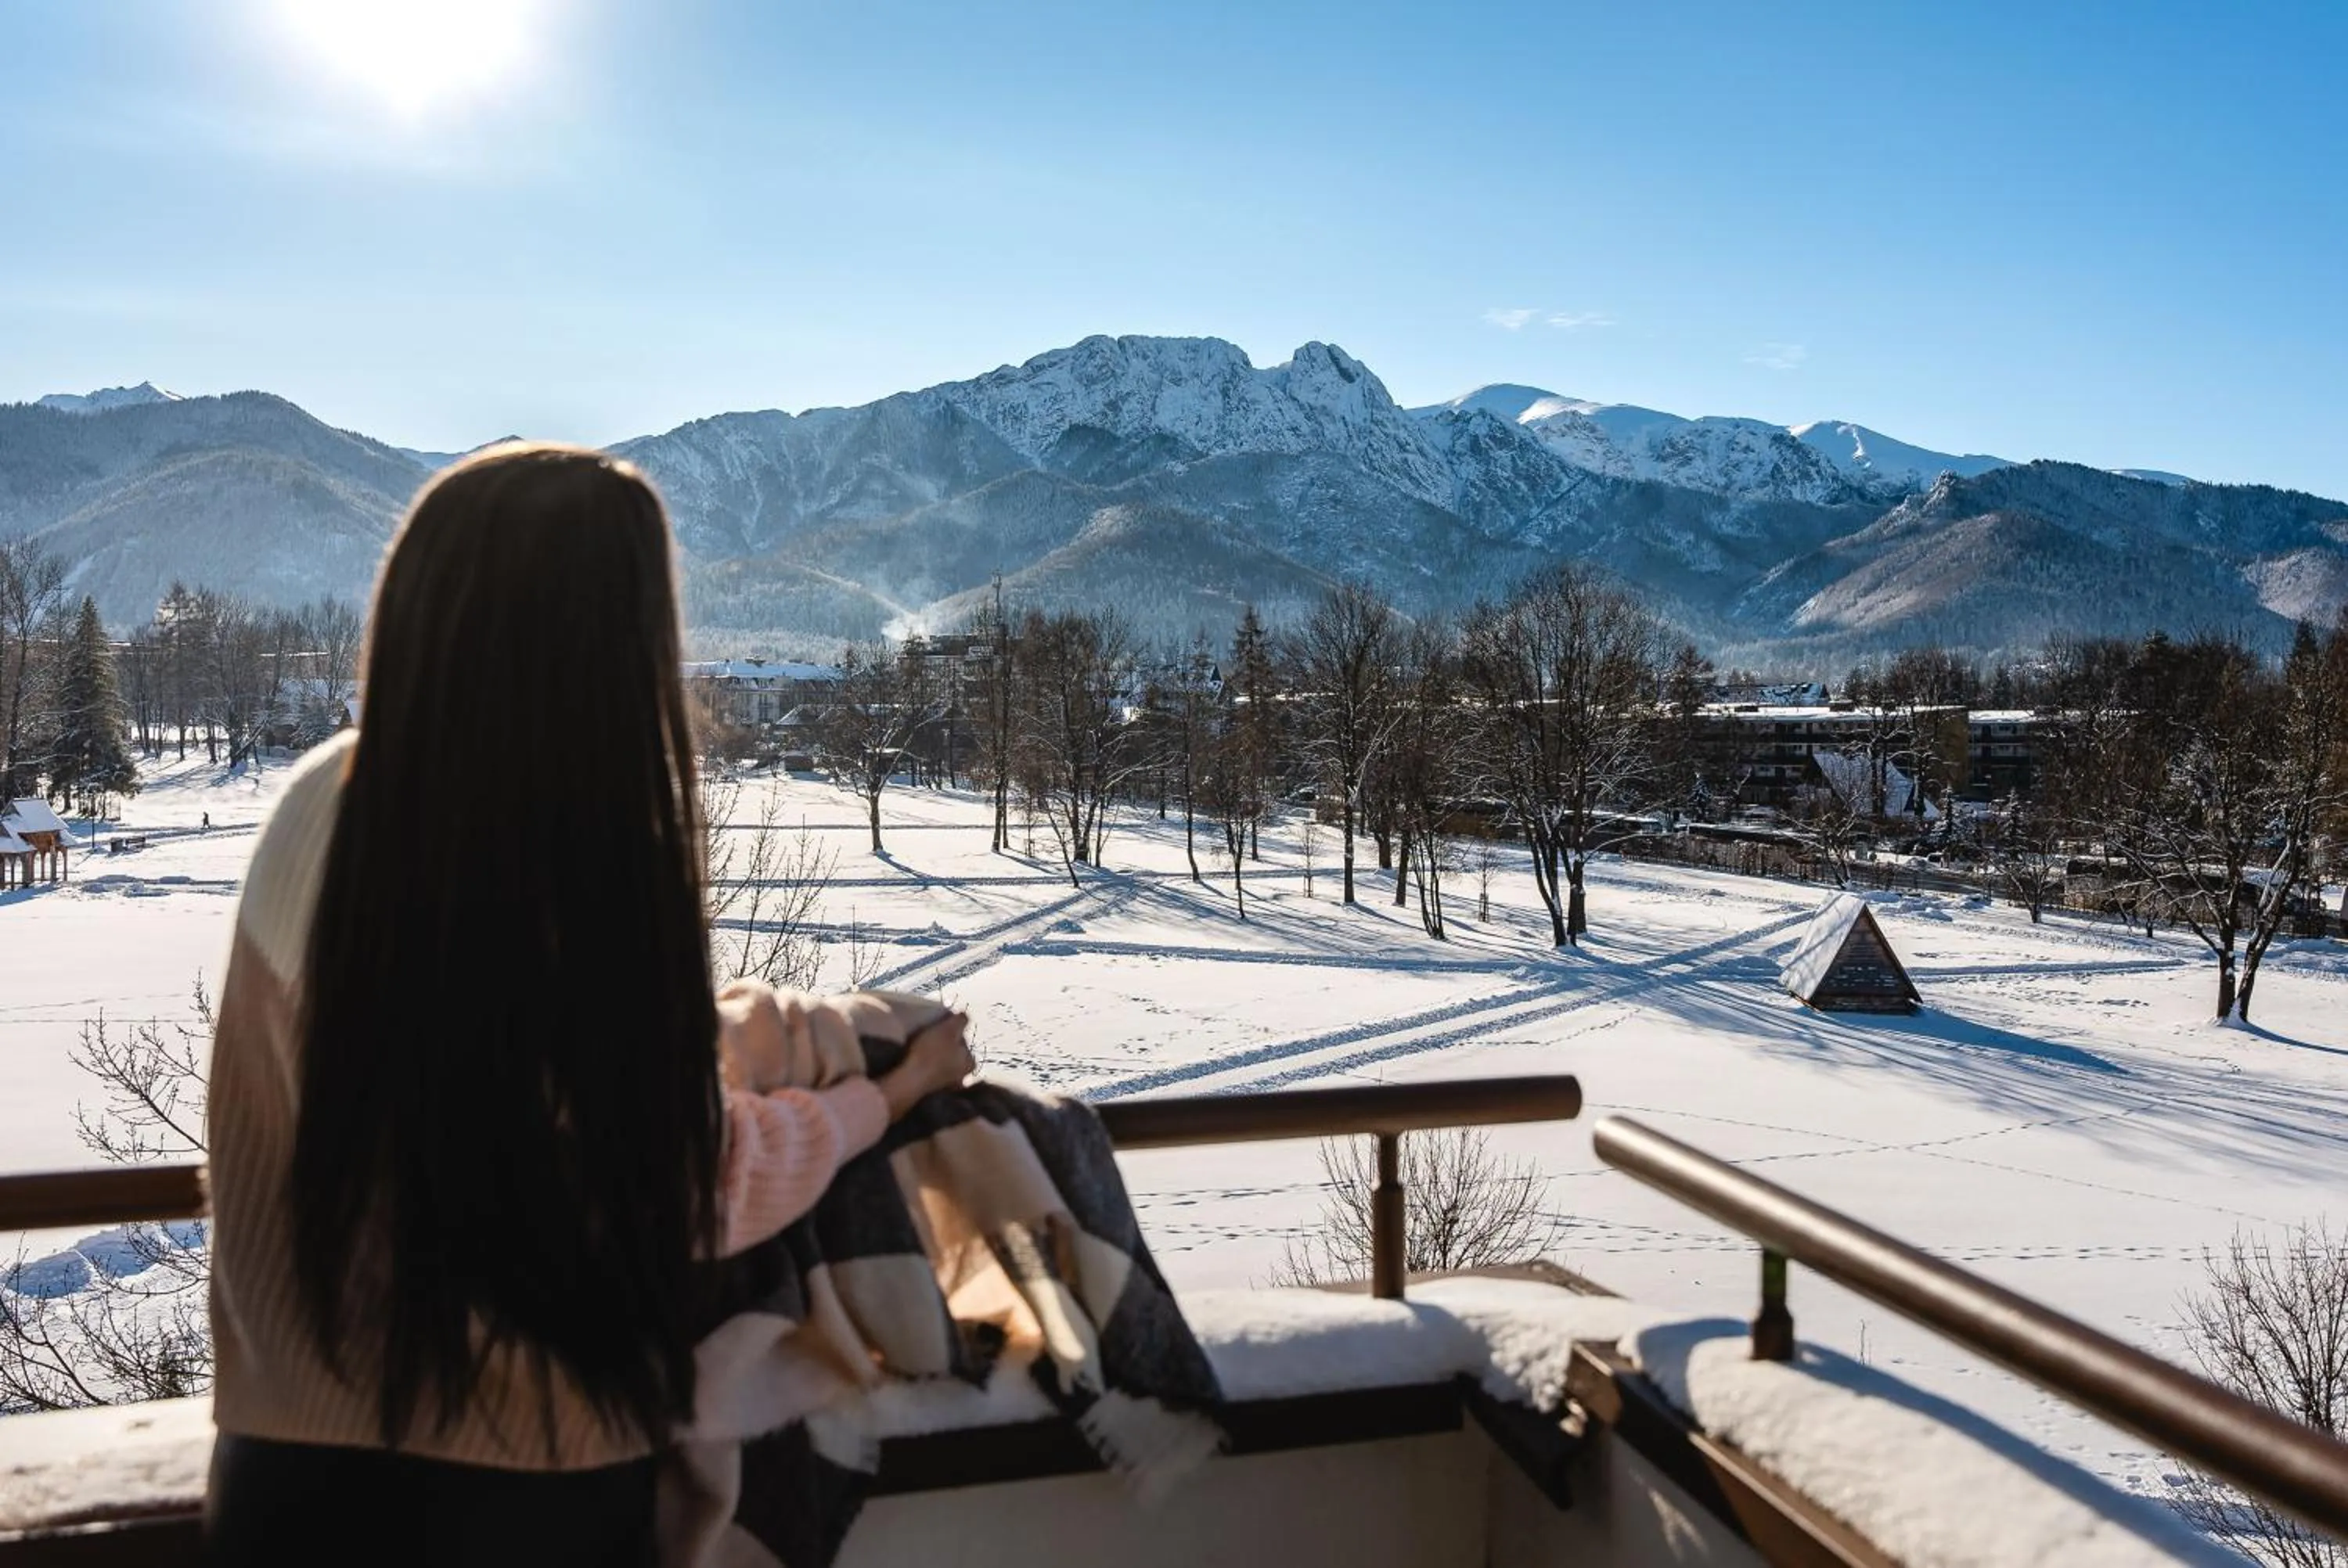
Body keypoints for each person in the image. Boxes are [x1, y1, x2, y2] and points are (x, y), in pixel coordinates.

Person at [203, 444, 973, 1566]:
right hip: (529, 1492)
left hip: (287, 1477)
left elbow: (479, 1088)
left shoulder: (326, 803)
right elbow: (683, 1181)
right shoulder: (573, 857)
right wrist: (891, 1094)